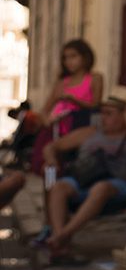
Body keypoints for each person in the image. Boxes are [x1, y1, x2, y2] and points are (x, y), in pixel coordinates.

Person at [41, 86, 126, 261]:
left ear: (124, 114)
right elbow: (51, 147)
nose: (103, 118)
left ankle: (62, 236)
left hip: (119, 186)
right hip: (83, 181)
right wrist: (51, 161)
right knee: (58, 187)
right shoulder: (91, 132)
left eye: (109, 114)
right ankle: (60, 239)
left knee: (101, 188)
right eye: (102, 113)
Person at [32, 39, 103, 172]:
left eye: (73, 56)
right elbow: (45, 110)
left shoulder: (94, 78)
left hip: (80, 128)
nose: (69, 61)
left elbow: (95, 106)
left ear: (85, 57)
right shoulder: (62, 83)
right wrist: (47, 121)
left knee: (72, 166)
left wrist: (74, 100)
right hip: (57, 129)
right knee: (50, 167)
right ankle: (51, 189)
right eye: (65, 58)